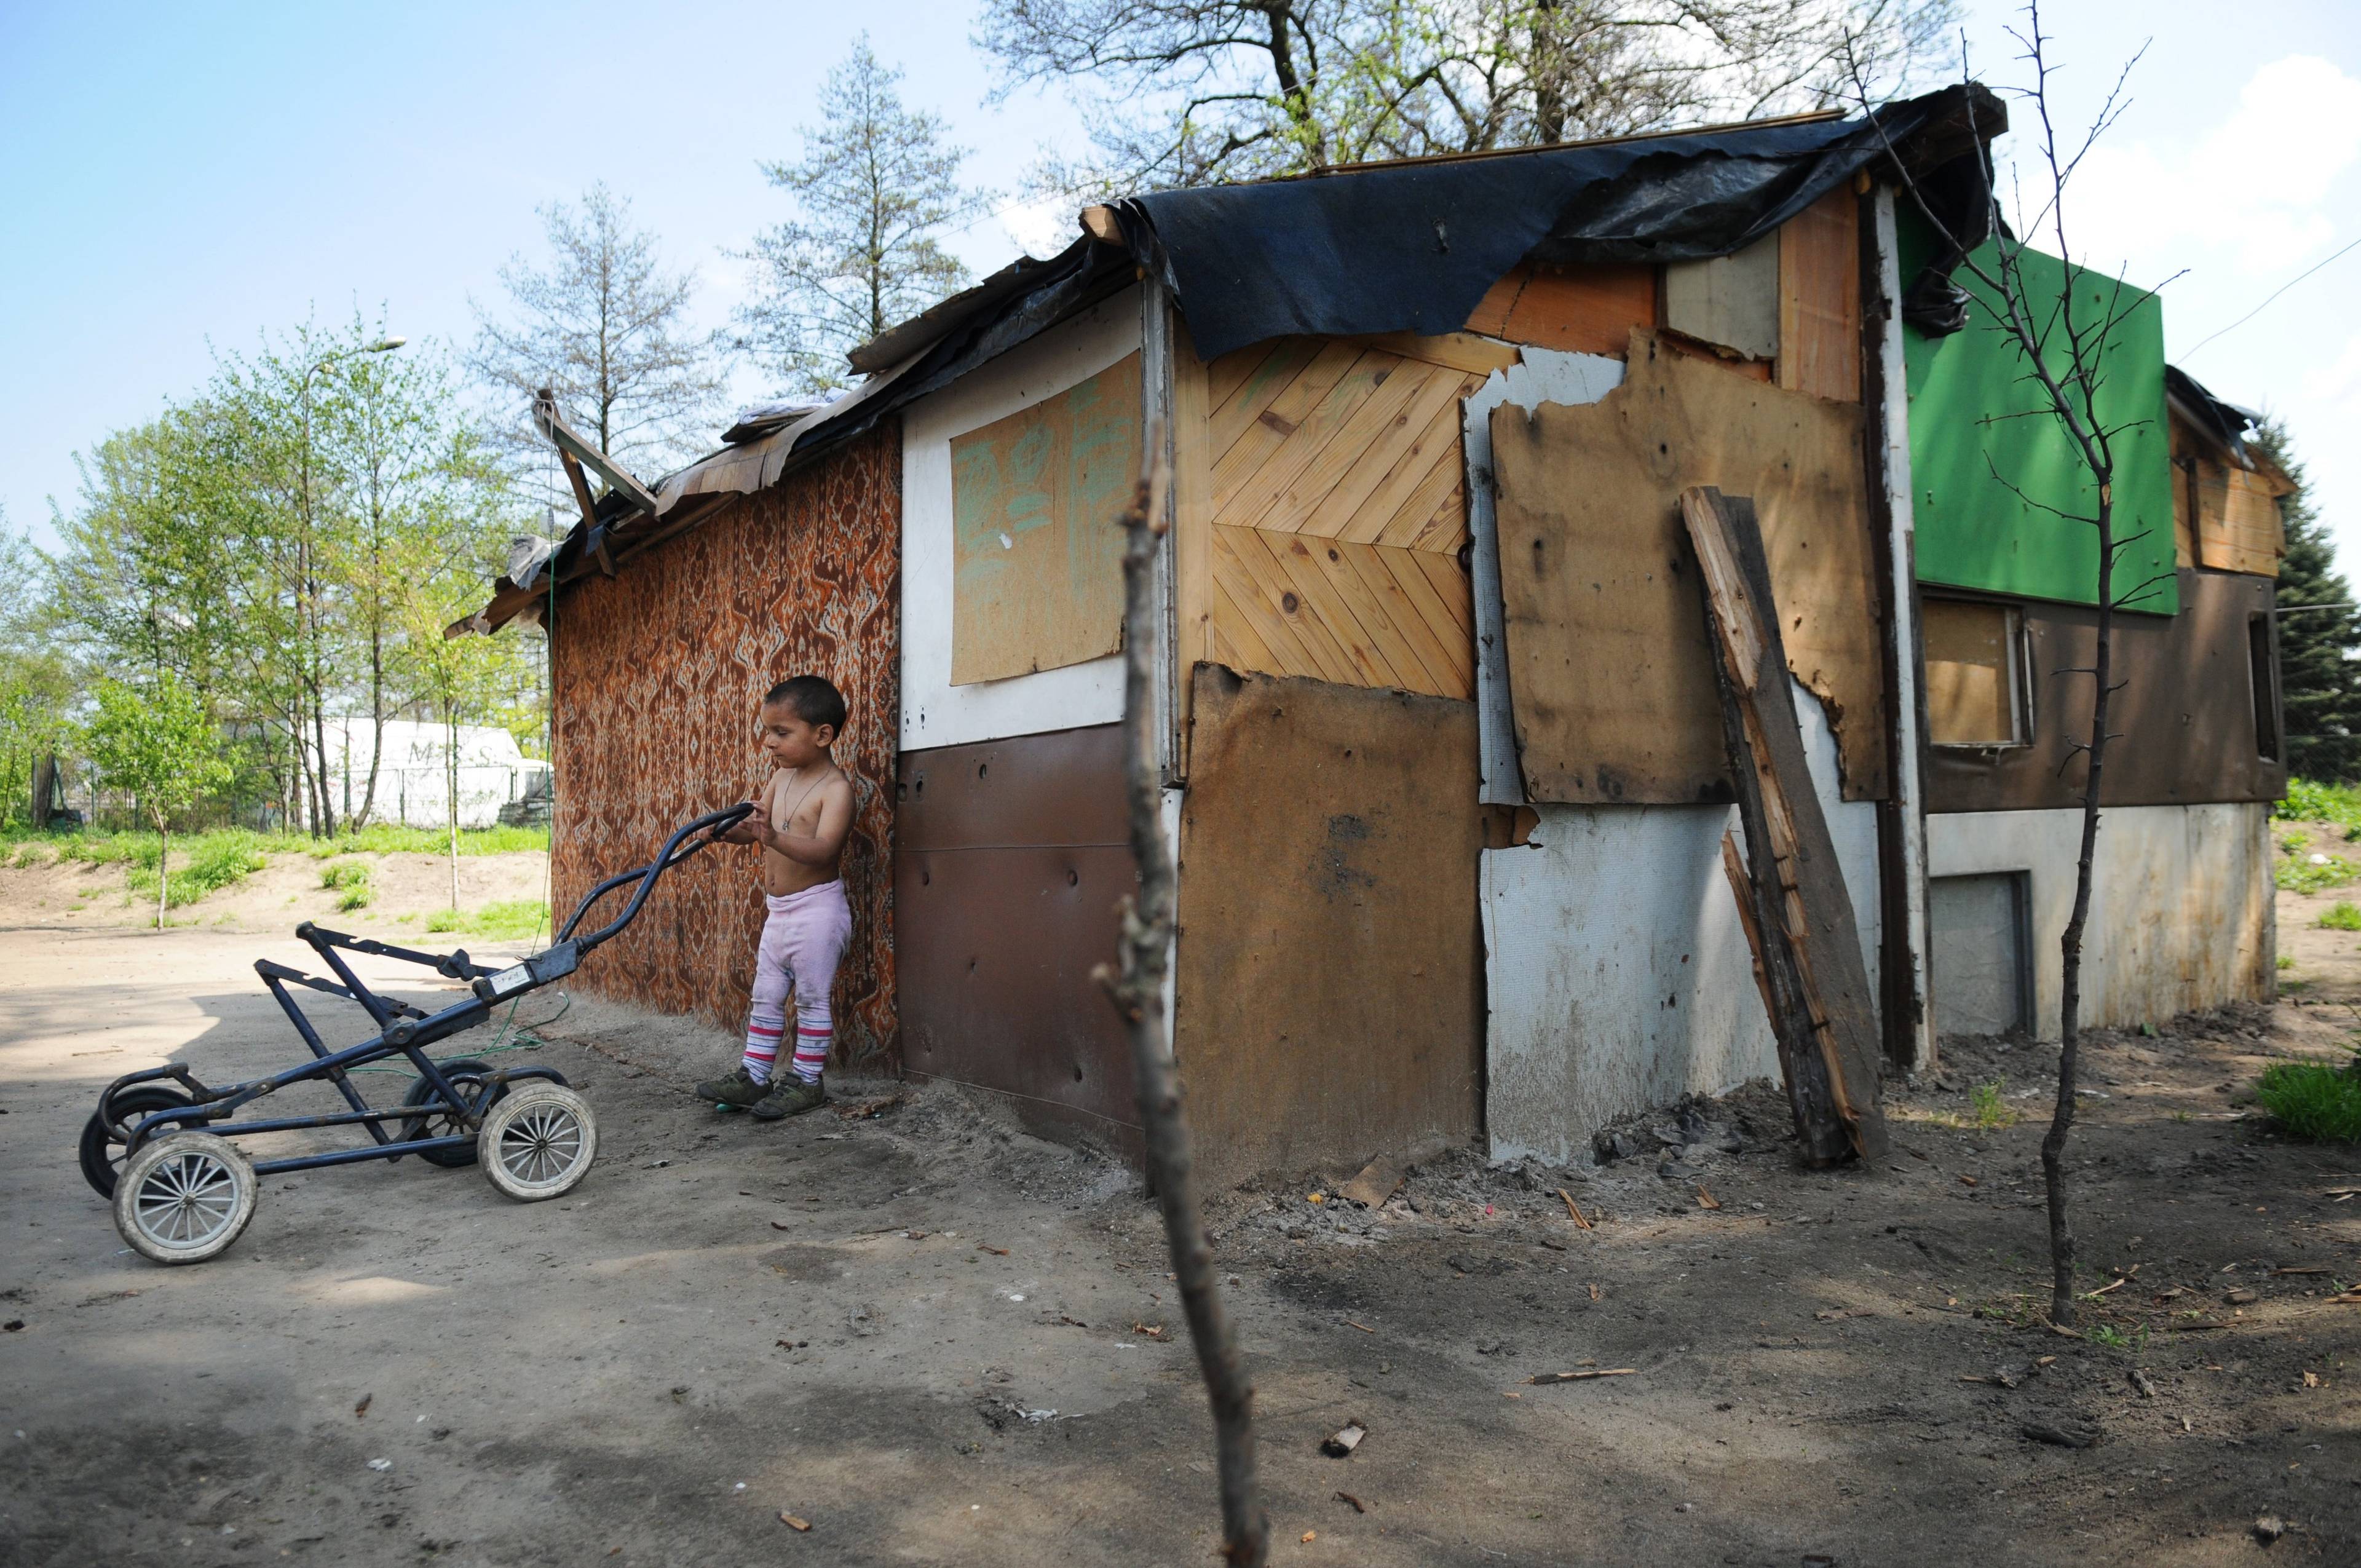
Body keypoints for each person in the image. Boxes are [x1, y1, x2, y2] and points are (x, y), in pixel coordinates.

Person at [693, 675, 855, 1119]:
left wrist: (772, 836)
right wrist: (727, 832)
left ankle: (807, 1081)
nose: (769, 743)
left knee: (811, 998)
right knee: (765, 995)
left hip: (817, 910)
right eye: (767, 732)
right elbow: (756, 831)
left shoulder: (836, 790)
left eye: (782, 733)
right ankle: (754, 1075)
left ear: (823, 735)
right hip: (779, 912)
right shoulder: (780, 777)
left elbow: (824, 848)